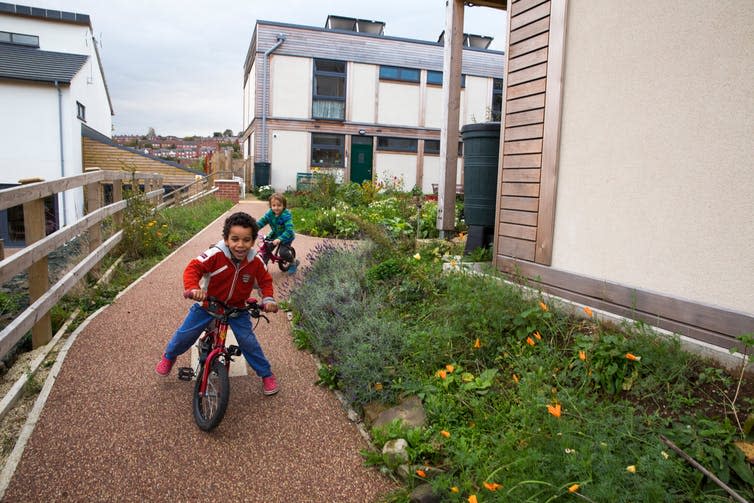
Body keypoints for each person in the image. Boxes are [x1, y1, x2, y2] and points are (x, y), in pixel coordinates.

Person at [155, 211, 280, 396]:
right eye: (235, 239)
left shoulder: (255, 261)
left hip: (237, 308)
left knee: (248, 342)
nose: (240, 245)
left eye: (246, 240)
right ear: (226, 239)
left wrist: (268, 299)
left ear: (253, 241)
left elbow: (265, 281)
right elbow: (193, 268)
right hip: (208, 305)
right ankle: (169, 356)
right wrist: (193, 288)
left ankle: (266, 374)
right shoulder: (216, 254)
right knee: (186, 334)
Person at [256, 192, 300, 274]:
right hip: (275, 234)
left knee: (283, 252)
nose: (276, 208)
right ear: (271, 206)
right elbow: (263, 221)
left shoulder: (286, 216)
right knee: (266, 249)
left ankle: (293, 262)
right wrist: (254, 228)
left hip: (286, 236)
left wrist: (280, 239)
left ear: (284, 206)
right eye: (274, 205)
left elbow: (289, 230)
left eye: (279, 205)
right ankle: (263, 267)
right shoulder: (270, 214)